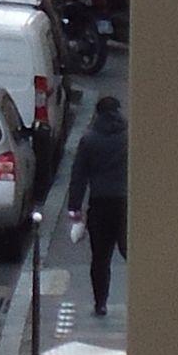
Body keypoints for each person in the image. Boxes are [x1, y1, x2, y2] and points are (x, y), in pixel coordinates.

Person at [66, 95, 129, 317]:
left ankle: (100, 302)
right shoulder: (129, 136)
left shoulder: (89, 139)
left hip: (100, 204)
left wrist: (74, 207)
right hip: (125, 203)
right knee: (131, 251)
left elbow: (79, 175)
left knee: (100, 258)